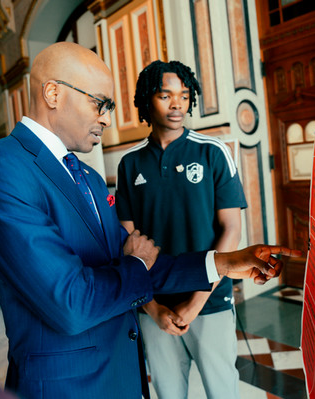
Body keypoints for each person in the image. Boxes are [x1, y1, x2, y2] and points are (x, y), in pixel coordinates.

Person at [0, 42, 300, 399]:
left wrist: (225, 262)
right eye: (100, 104)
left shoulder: (88, 178)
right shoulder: (1, 168)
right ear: (52, 93)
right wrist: (139, 268)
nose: (107, 119)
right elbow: (71, 302)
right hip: (70, 386)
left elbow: (133, 264)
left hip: (120, 375)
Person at [116, 60, 245, 398]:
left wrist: (195, 303)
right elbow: (125, 242)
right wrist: (153, 307)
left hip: (211, 301)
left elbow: (231, 230)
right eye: (165, 95)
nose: (177, 104)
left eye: (184, 96)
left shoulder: (212, 152)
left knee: (223, 391)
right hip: (153, 305)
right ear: (147, 100)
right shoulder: (129, 164)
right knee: (169, 394)